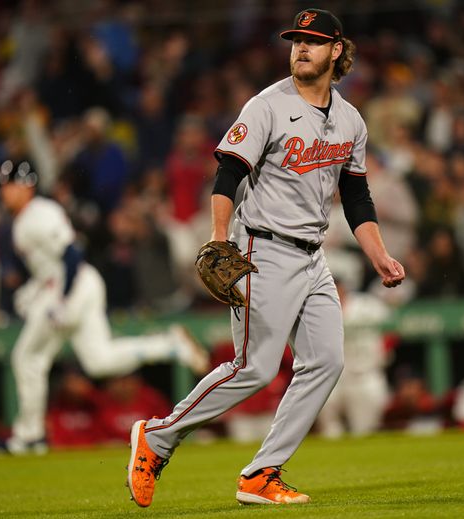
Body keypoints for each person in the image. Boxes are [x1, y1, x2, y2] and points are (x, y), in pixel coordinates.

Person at [127, 8, 405, 507]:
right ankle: (158, 436)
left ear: (336, 51)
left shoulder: (350, 120)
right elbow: (228, 174)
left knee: (326, 360)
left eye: (313, 41)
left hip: (313, 256)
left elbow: (357, 197)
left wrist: (379, 254)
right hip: (262, 248)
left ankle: (261, 473)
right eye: (296, 40)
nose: (301, 47)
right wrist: (218, 239)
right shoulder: (266, 106)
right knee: (254, 368)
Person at [0, 159, 209, 454]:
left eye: (9, 185)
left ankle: (28, 435)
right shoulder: (23, 220)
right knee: (99, 361)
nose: (4, 192)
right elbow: (52, 266)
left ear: (27, 185)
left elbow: (71, 254)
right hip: (73, 287)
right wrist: (33, 291)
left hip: (74, 288)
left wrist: (60, 299)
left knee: (26, 357)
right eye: (3, 186)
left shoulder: (40, 213)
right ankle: (169, 344)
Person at [317, 278, 391, 438]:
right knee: (328, 423)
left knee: (365, 429)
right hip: (333, 377)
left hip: (365, 374)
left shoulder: (367, 305)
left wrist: (383, 352)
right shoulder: (318, 308)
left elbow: (392, 327)